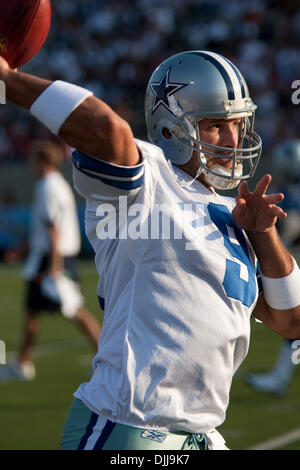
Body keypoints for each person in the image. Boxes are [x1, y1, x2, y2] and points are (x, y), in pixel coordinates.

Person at [0, 50, 300, 450]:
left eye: (237, 124)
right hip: (130, 428)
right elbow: (107, 129)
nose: (232, 140)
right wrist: (8, 80)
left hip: (203, 435)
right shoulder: (149, 179)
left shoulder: (234, 214)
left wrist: (264, 234)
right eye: (214, 126)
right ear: (170, 129)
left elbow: (291, 321)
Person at [0, 140, 101, 382]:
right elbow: (45, 229)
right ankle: (22, 363)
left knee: (73, 309)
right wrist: (23, 249)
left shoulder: (49, 187)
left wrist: (54, 267)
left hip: (51, 261)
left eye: (33, 159)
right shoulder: (52, 185)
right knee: (32, 311)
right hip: (48, 258)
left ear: (43, 161)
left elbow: (53, 228)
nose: (29, 164)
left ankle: (108, 359)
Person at [245, 139, 300, 396]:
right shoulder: (289, 191)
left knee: (292, 323)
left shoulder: (292, 196)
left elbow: (290, 234)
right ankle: (279, 377)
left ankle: (279, 379)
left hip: (292, 264)